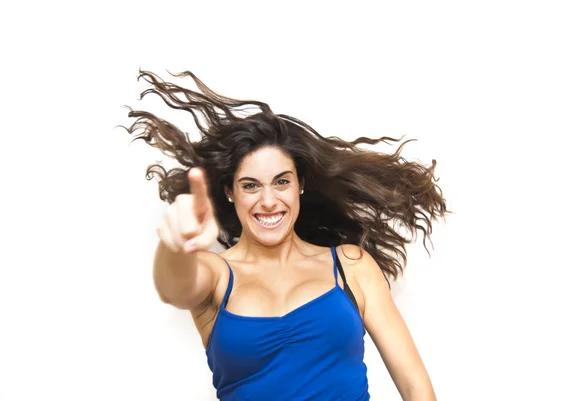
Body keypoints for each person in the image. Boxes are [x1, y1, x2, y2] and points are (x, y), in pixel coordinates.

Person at [123, 70, 448, 400]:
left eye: (282, 181)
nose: (268, 200)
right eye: (251, 185)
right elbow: (174, 288)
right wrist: (175, 244)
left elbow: (414, 386)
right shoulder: (217, 275)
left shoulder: (350, 266)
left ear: (300, 185)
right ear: (230, 192)